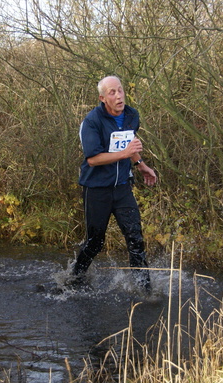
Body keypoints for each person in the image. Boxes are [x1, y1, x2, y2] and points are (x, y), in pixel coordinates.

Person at [69, 76, 157, 294]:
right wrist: (125, 154)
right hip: (97, 189)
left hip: (122, 188)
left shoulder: (131, 115)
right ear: (102, 98)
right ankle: (73, 281)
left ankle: (145, 291)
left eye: (120, 91)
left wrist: (139, 163)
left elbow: (129, 144)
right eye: (112, 93)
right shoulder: (92, 121)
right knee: (95, 242)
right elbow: (93, 159)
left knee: (135, 238)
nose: (118, 96)